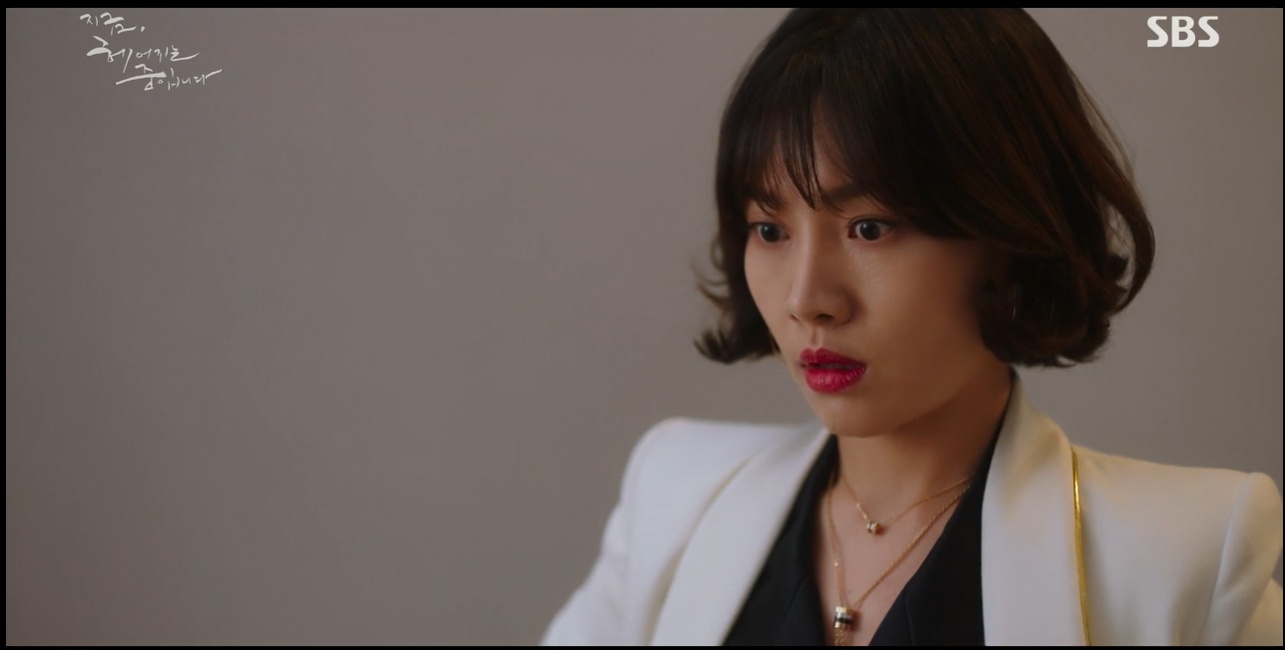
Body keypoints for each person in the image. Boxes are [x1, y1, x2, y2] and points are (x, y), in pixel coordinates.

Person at [541, 8, 1283, 646]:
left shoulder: (1180, 557)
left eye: (869, 227)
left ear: (1008, 232)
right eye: (769, 229)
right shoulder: (674, 496)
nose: (807, 298)